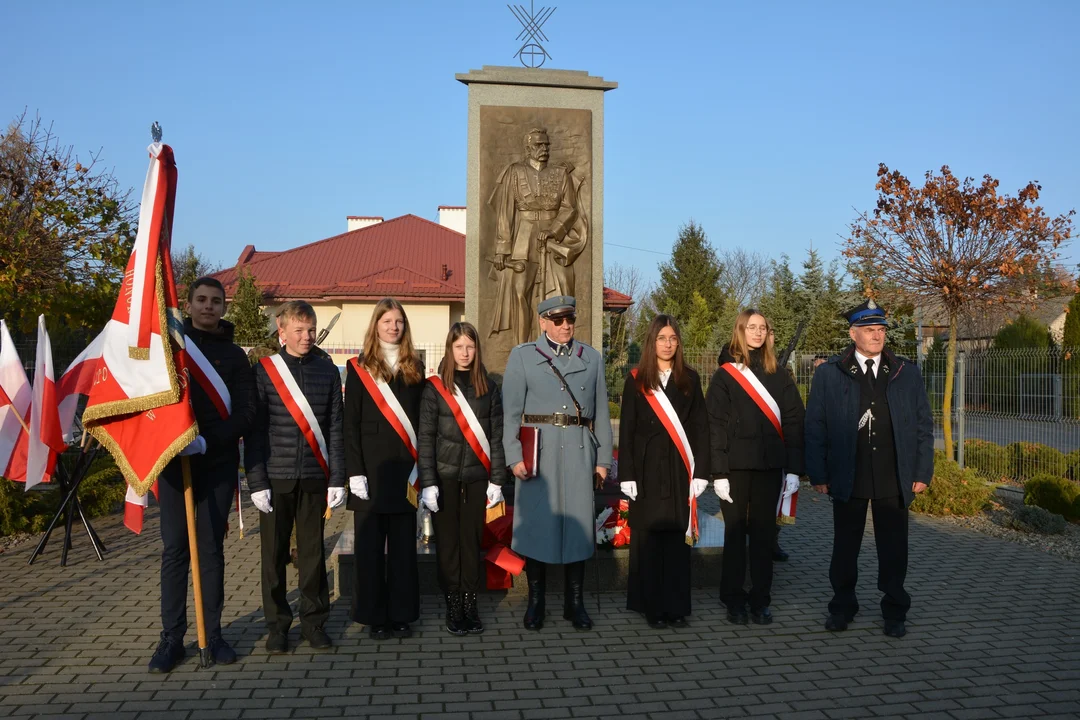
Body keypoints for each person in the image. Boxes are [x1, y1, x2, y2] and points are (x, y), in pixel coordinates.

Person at [805, 299, 933, 638]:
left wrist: (921, 472)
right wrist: (817, 474)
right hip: (849, 474)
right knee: (845, 546)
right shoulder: (829, 374)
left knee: (894, 548)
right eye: (868, 329)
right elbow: (815, 426)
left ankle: (895, 610)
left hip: (893, 474)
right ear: (853, 333)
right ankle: (842, 606)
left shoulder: (906, 372)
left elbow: (923, 425)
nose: (876, 336)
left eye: (880, 330)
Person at [148, 277, 256, 672]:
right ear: (189, 305)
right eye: (201, 300)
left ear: (224, 308)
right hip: (176, 466)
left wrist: (208, 442)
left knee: (210, 548)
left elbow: (246, 413)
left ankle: (213, 634)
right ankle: (171, 638)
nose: (208, 307)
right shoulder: (169, 351)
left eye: (216, 301)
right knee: (176, 548)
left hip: (216, 462)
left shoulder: (234, 357)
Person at [502, 295, 613, 630]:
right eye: (558, 320)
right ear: (543, 322)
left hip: (579, 450)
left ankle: (574, 603)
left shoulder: (590, 358)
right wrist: (512, 455)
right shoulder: (523, 357)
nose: (566, 326)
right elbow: (509, 414)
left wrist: (603, 458)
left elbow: (603, 414)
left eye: (570, 320)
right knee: (537, 525)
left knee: (578, 528)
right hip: (540, 453)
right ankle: (536, 602)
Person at [247, 301, 345, 654]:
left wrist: (337, 477)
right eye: (299, 330)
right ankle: (277, 627)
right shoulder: (265, 371)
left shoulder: (328, 371)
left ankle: (314, 622)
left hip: (315, 477)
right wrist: (256, 482)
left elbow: (336, 428)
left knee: (312, 554)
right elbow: (255, 431)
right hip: (275, 478)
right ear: (282, 330)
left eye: (311, 329)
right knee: (273, 557)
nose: (306, 336)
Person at [707, 309, 805, 626]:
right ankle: (733, 599)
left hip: (768, 468)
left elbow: (794, 421)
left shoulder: (780, 374)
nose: (758, 332)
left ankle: (761, 599)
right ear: (740, 330)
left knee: (763, 538)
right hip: (734, 470)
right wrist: (718, 472)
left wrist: (793, 468)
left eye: (763, 327)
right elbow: (715, 426)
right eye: (752, 327)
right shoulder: (725, 376)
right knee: (735, 537)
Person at [618, 315, 709, 628]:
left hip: (679, 470)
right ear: (651, 342)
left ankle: (676, 606)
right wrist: (626, 474)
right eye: (662, 338)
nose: (668, 344)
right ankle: (652, 606)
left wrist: (701, 474)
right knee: (650, 540)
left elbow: (701, 429)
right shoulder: (636, 380)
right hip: (646, 470)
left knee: (676, 541)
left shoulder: (691, 379)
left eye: (673, 338)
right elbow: (627, 430)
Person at [344, 298, 427, 640]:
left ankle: (402, 614)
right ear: (375, 325)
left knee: (404, 550)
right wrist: (355, 472)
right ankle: (375, 616)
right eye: (387, 321)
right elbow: (350, 424)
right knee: (369, 551)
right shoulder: (358, 366)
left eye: (399, 322)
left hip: (405, 472)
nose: (393, 327)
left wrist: (424, 471)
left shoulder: (415, 366)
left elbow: (422, 422)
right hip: (371, 472)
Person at [418, 322, 507, 635]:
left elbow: (497, 437)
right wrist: (427, 482)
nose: (465, 353)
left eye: (470, 346)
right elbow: (426, 438)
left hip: (476, 480)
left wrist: (496, 480)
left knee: (471, 544)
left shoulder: (490, 389)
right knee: (448, 546)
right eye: (459, 347)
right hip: (443, 481)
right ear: (450, 349)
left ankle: (471, 602)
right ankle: (453, 603)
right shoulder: (435, 388)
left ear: (477, 349)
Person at [488, 127, 589, 344]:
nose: (543, 149)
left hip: (554, 240)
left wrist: (554, 230)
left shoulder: (560, 173)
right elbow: (506, 212)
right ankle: (521, 348)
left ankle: (556, 345)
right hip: (523, 238)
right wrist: (502, 249)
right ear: (527, 148)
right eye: (538, 145)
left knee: (563, 291)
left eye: (546, 145)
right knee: (520, 293)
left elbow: (570, 208)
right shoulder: (514, 172)